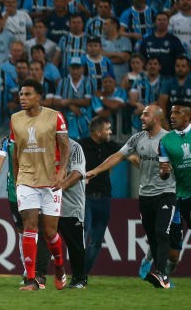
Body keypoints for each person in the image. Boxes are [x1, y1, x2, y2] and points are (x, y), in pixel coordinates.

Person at [87, 105, 174, 288]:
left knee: (161, 232)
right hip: (146, 195)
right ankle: (158, 272)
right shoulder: (137, 138)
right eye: (142, 114)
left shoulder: (169, 140)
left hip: (166, 193)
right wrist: (95, 171)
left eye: (146, 114)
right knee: (152, 236)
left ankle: (162, 274)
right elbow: (118, 156)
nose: (141, 117)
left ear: (157, 119)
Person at [11, 79, 70, 291]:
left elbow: (65, 147)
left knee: (50, 232)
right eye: (20, 94)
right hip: (26, 180)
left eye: (27, 94)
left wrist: (61, 172)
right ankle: (31, 278)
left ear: (39, 96)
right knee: (29, 226)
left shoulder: (55, 117)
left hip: (50, 181)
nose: (22, 98)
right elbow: (15, 152)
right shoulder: (15, 119)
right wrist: (18, 180)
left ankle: (60, 266)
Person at [78, 116, 118, 278]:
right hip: (85, 197)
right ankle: (78, 271)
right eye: (107, 129)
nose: (110, 132)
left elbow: (130, 155)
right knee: (84, 231)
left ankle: (82, 274)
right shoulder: (81, 146)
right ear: (97, 131)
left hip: (104, 198)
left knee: (96, 241)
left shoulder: (111, 147)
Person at [157, 100, 191, 286]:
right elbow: (163, 174)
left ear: (187, 116)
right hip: (176, 197)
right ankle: (167, 276)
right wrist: (164, 172)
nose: (172, 116)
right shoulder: (166, 141)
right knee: (173, 254)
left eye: (177, 113)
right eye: (171, 112)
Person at [58, 136, 87, 289]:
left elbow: (77, 173)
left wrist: (59, 188)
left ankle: (79, 279)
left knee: (74, 244)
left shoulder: (74, 147)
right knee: (44, 241)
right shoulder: (46, 146)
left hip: (71, 205)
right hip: (50, 205)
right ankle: (39, 277)